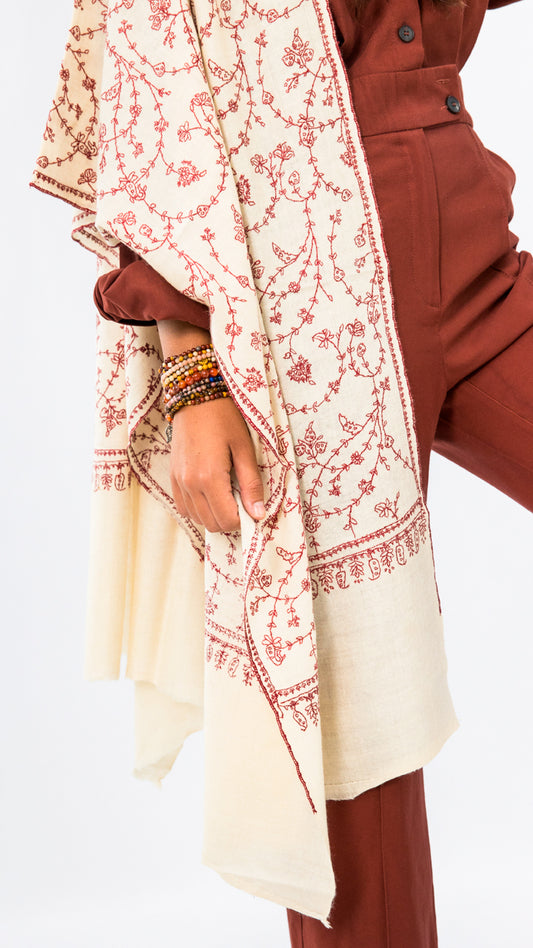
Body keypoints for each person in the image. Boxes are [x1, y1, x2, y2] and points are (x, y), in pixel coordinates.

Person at [44, 0, 532, 942]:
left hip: (472, 259)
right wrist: (193, 373)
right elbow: (156, 101)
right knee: (353, 727)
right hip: (294, 303)